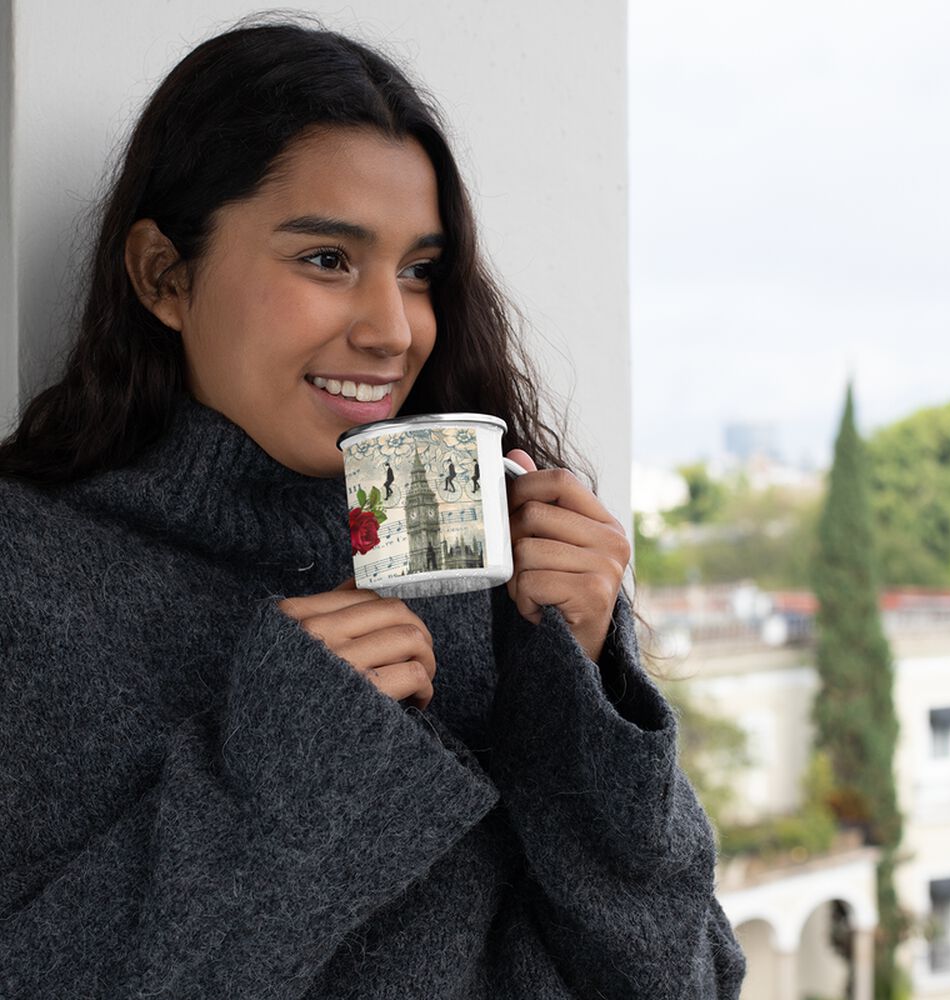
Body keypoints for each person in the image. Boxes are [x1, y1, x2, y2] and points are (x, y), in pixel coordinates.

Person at [0, 18, 745, 1000]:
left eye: (420, 271)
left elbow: (682, 983)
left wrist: (580, 683)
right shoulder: (29, 579)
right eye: (326, 260)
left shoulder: (479, 573)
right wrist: (279, 771)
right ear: (163, 276)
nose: (394, 330)